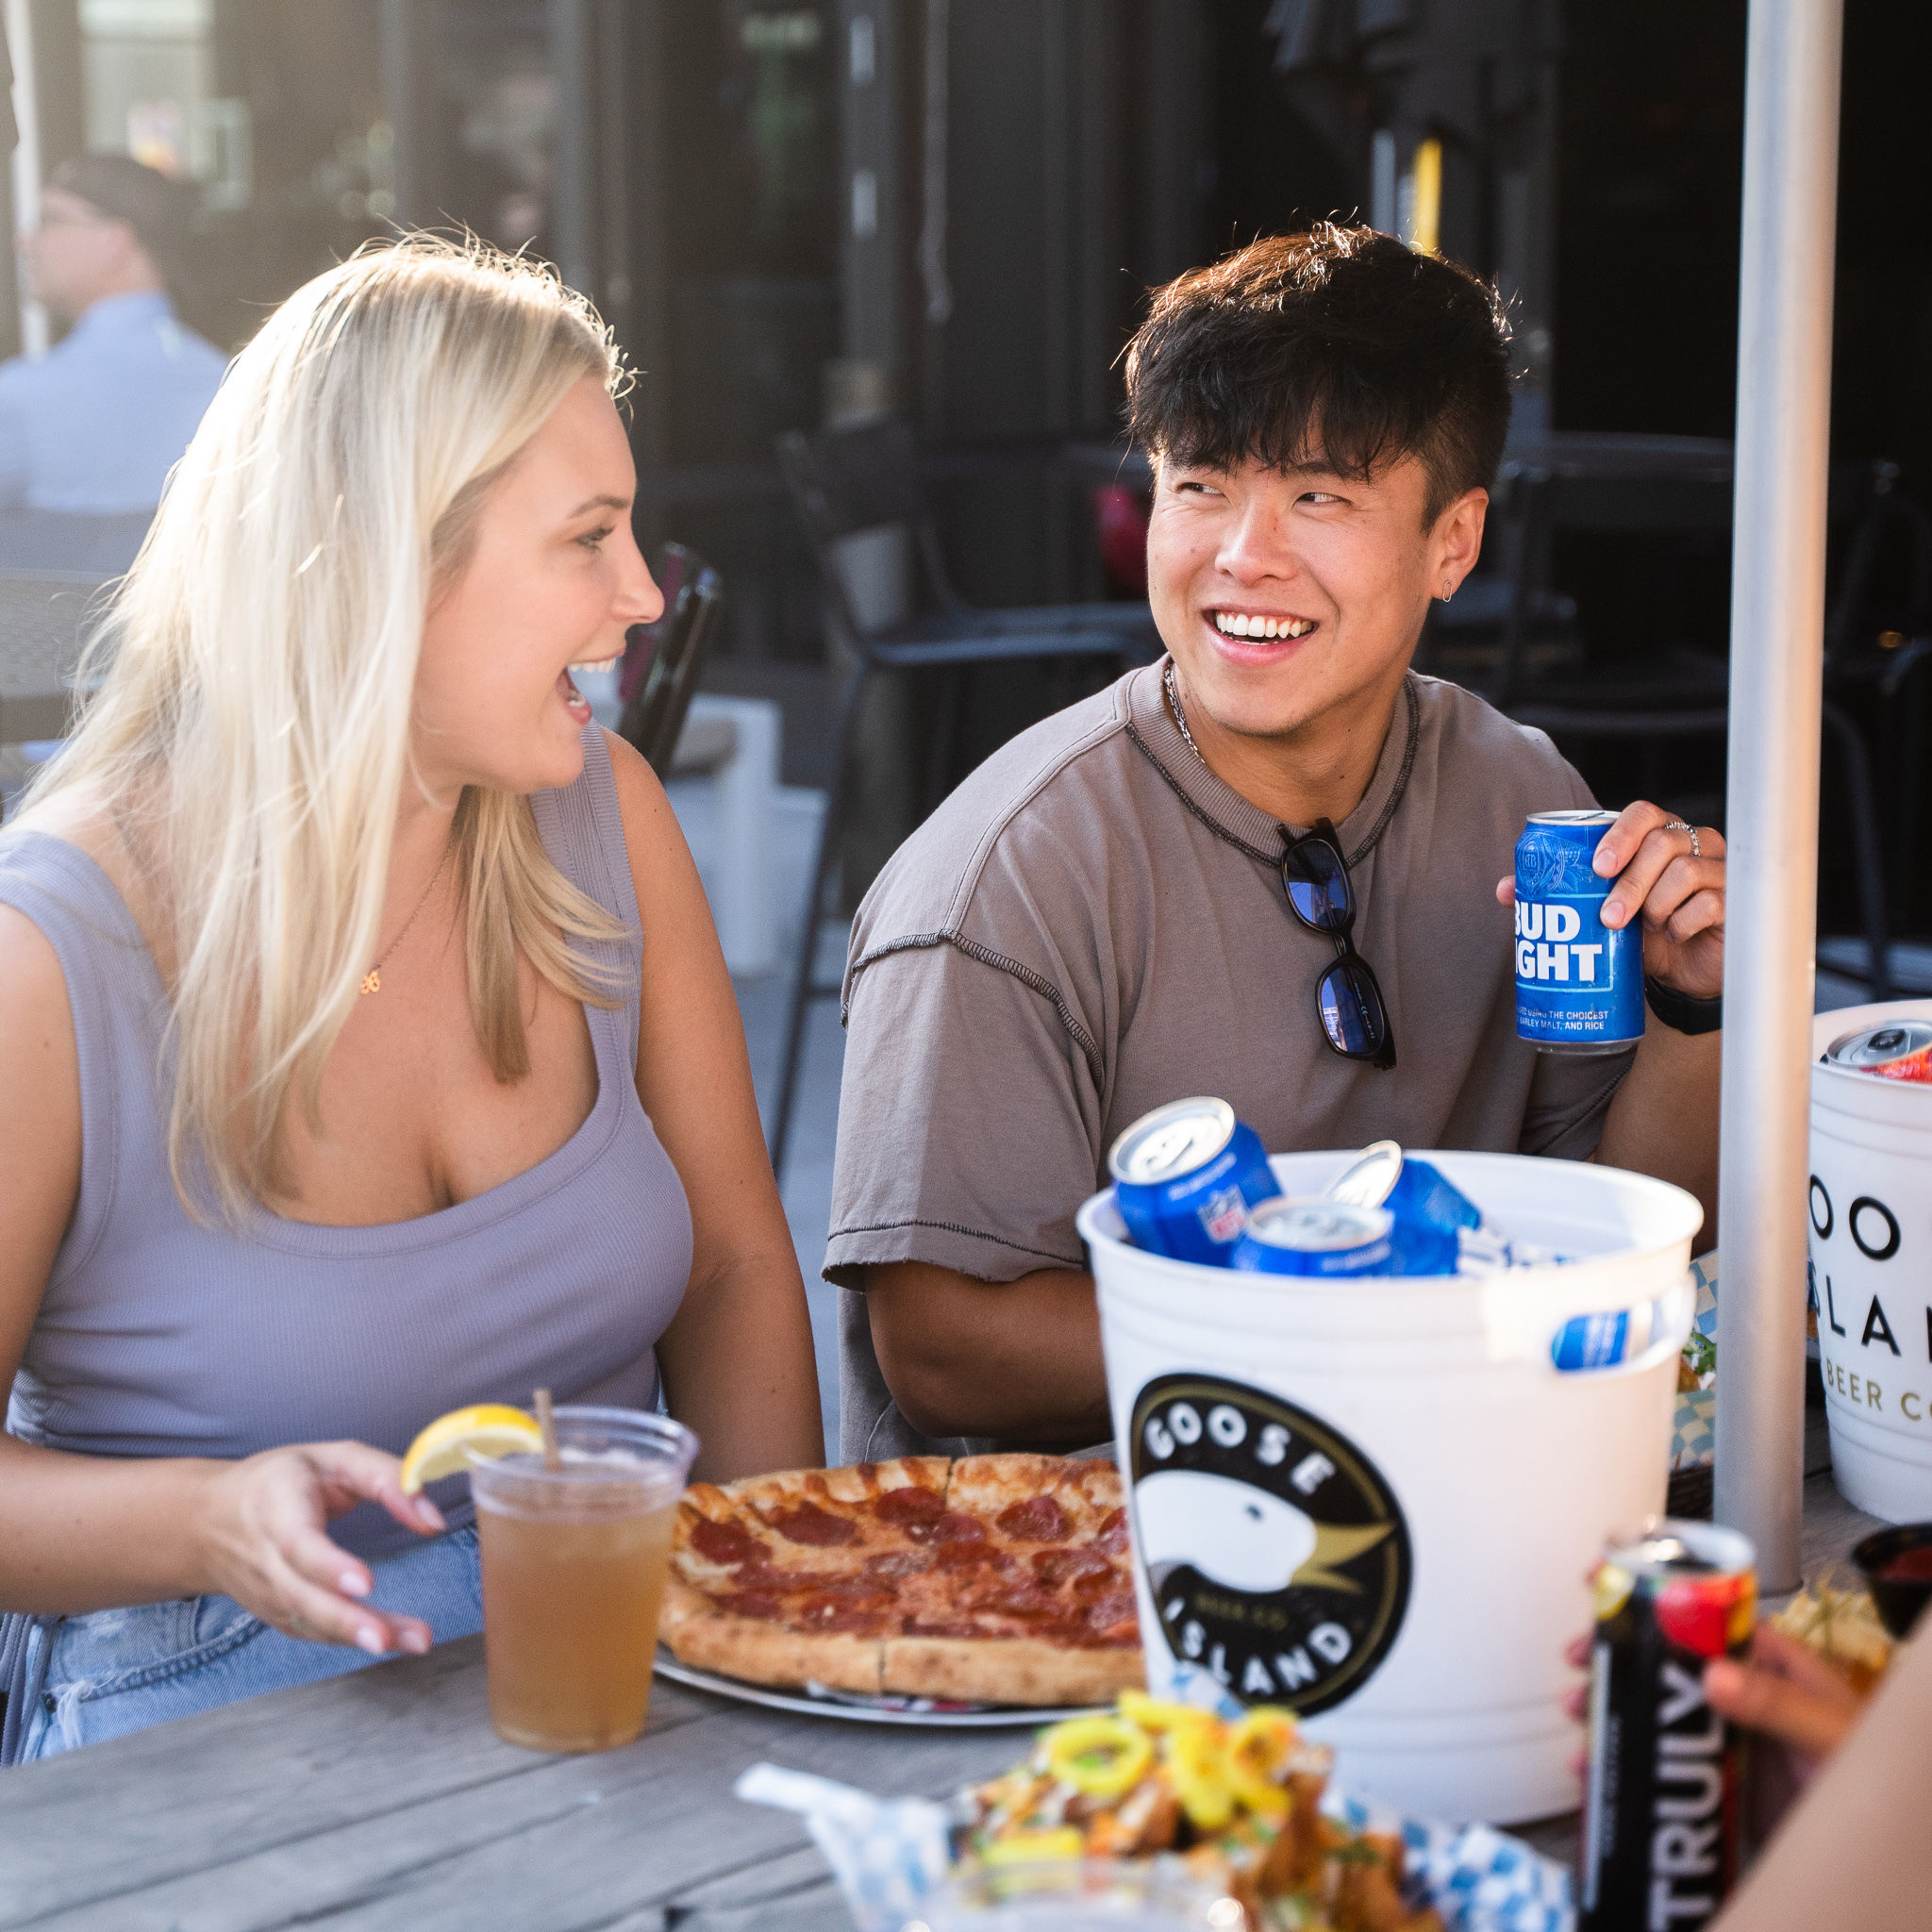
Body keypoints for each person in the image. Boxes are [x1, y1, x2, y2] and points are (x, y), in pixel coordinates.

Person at [0, 237, 823, 1763]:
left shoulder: (604, 814)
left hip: (615, 1654)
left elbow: (727, 1268)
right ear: (379, 562)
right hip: (217, 1699)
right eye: (587, 536)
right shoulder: (48, 953)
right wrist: (206, 1516)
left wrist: (770, 1641)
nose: (642, 593)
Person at [826, 225, 1726, 1458]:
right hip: (1090, 1569)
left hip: (1463, 1503)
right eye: (1200, 485)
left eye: (1319, 494)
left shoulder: (1520, 792)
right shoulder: (1005, 875)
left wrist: (1693, 1013)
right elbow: (942, 1350)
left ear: (1452, 542)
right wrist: (1356, 1334)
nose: (1244, 556)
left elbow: (1614, 1218)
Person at [0, 154, 226, 516]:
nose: (24, 242)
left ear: (114, 241)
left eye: (49, 221)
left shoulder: (19, 400)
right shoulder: (230, 385)